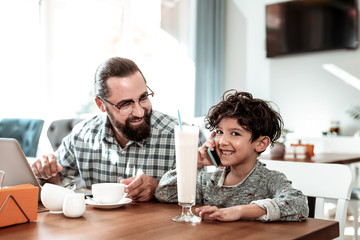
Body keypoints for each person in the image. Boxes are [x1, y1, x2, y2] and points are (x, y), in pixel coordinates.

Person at [32, 57, 197, 202]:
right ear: (101, 105)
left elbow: (203, 194)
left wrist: (159, 188)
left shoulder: (181, 136)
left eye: (143, 98)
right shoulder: (81, 135)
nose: (139, 112)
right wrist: (50, 176)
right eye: (126, 104)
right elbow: (60, 185)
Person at [155, 90, 309, 221]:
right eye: (220, 132)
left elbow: (299, 205)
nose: (222, 141)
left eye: (235, 133)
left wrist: (239, 211)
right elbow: (164, 193)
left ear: (261, 143)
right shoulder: (209, 181)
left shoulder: (269, 180)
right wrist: (193, 163)